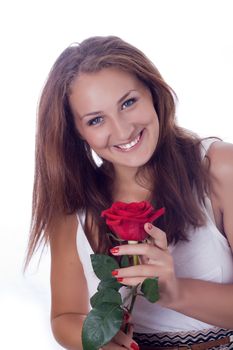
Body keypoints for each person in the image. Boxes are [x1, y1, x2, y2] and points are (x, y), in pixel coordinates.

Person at [25, 36, 233, 350]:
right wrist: (102, 344)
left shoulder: (219, 166)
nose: (123, 131)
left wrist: (172, 291)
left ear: (153, 92)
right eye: (96, 120)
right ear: (76, 132)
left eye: (128, 102)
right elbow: (66, 316)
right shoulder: (72, 206)